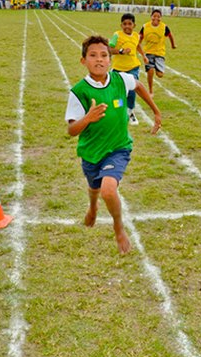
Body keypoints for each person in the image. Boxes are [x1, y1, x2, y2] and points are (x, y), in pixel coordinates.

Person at [65, 35, 162, 254]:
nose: (99, 60)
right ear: (83, 61)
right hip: (91, 152)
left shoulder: (120, 80)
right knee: (94, 188)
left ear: (110, 60)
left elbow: (138, 86)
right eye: (92, 56)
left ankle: (118, 226)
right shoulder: (79, 92)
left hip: (118, 148)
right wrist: (87, 119)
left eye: (103, 55)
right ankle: (92, 207)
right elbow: (71, 130)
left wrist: (156, 111)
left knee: (108, 190)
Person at [108, 13, 145, 125]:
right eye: (124, 24)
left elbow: (137, 45)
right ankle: (118, 110)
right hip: (118, 69)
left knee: (132, 88)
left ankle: (130, 111)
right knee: (118, 93)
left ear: (134, 25)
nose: (127, 26)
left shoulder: (136, 36)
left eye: (130, 24)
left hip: (133, 67)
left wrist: (144, 55)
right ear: (121, 25)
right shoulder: (117, 35)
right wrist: (121, 51)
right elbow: (109, 49)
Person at [139, 9, 177, 94]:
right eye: (154, 16)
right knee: (150, 71)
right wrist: (137, 45)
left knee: (160, 75)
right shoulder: (145, 26)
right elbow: (140, 37)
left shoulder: (164, 27)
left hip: (160, 53)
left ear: (161, 18)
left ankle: (156, 66)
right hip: (148, 52)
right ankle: (151, 91)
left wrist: (173, 45)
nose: (156, 18)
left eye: (158, 16)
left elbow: (170, 36)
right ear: (151, 17)